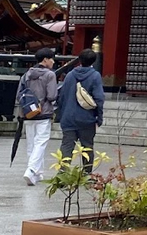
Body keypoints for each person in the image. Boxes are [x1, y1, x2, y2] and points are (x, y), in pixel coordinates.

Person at [57, 48, 105, 172]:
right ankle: (86, 174)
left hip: (68, 117)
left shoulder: (70, 75)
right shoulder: (95, 76)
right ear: (93, 61)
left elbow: (61, 96)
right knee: (87, 146)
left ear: (79, 60)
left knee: (67, 146)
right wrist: (99, 118)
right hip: (86, 118)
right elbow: (99, 98)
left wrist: (62, 115)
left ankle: (63, 173)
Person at [19, 48, 58, 186]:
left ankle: (37, 174)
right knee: (41, 142)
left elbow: (20, 93)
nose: (53, 61)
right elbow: (52, 96)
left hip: (29, 113)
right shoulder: (50, 75)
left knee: (31, 144)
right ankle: (31, 170)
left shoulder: (27, 74)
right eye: (52, 58)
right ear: (45, 60)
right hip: (44, 112)